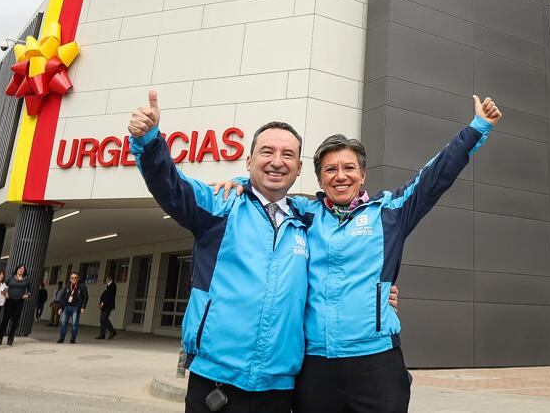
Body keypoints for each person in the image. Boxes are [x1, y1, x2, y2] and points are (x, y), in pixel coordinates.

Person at [214, 94, 502, 413]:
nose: (340, 176)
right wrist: (241, 182)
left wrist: (478, 127)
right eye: (330, 169)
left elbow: (436, 176)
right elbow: (268, 190)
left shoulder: (390, 212)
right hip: (315, 365)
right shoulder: (301, 213)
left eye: (349, 168)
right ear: (319, 178)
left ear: (362, 175)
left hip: (376, 362)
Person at [128, 90, 311, 413]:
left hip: (279, 387)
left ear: (298, 167)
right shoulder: (220, 204)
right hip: (214, 383)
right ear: (249, 161)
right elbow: (172, 187)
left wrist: (382, 293)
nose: (277, 161)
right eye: (267, 151)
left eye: (288, 154)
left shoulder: (309, 221)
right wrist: (150, 142)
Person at [0, 263, 31, 346]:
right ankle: (0, 338)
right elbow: (3, 287)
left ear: (24, 271)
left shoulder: (26, 280)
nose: (21, 270)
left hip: (19, 302)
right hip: (9, 301)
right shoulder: (10, 278)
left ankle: (10, 338)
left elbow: (30, 291)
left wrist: (27, 295)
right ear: (17, 269)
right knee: (5, 320)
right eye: (20, 269)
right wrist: (5, 294)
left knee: (15, 322)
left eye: (22, 269)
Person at [56, 271, 88, 344]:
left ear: (78, 279)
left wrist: (83, 307)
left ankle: (73, 339)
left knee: (74, 324)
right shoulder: (67, 286)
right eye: (72, 278)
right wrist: (60, 308)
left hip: (76, 307)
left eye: (75, 278)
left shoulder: (82, 286)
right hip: (67, 307)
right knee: (63, 323)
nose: (74, 279)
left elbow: (85, 297)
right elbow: (62, 298)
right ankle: (61, 338)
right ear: (70, 279)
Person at [96, 275, 117, 340]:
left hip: (107, 305)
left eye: (106, 279)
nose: (105, 281)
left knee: (104, 318)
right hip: (105, 305)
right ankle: (102, 334)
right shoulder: (108, 286)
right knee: (102, 319)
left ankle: (112, 331)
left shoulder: (112, 285)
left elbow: (108, 296)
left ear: (109, 279)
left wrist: (102, 303)